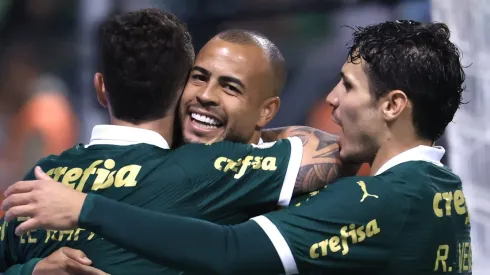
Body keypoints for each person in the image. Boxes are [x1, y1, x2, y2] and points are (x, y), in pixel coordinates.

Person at [3, 20, 472, 275]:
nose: (205, 95)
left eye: (229, 87)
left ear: (267, 111)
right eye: (198, 78)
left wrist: (86, 208)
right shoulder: (435, 185)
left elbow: (228, 250)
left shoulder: (316, 192)